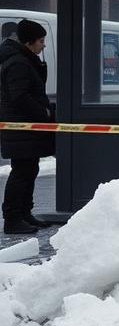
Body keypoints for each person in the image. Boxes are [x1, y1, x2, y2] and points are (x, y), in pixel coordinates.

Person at [0, 20, 56, 234]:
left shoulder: (25, 60)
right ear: (29, 41)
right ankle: (13, 219)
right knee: (22, 172)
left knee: (29, 170)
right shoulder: (18, 63)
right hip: (20, 129)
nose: (43, 46)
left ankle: (24, 213)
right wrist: (43, 113)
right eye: (41, 41)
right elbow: (19, 96)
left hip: (25, 130)